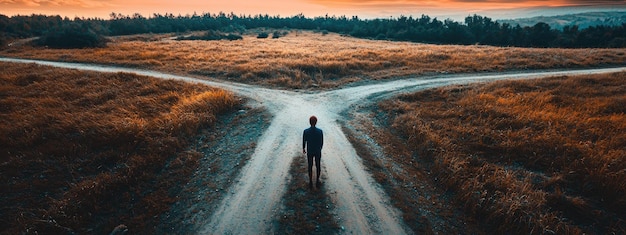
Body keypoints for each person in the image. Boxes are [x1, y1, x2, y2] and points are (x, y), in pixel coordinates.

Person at [303, 115, 323, 189]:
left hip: (310, 150)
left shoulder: (306, 131)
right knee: (318, 165)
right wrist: (320, 148)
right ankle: (317, 181)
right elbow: (321, 142)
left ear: (309, 122)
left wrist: (303, 148)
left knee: (310, 165)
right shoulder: (320, 131)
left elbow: (304, 140)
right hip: (317, 150)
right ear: (316, 122)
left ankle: (310, 181)